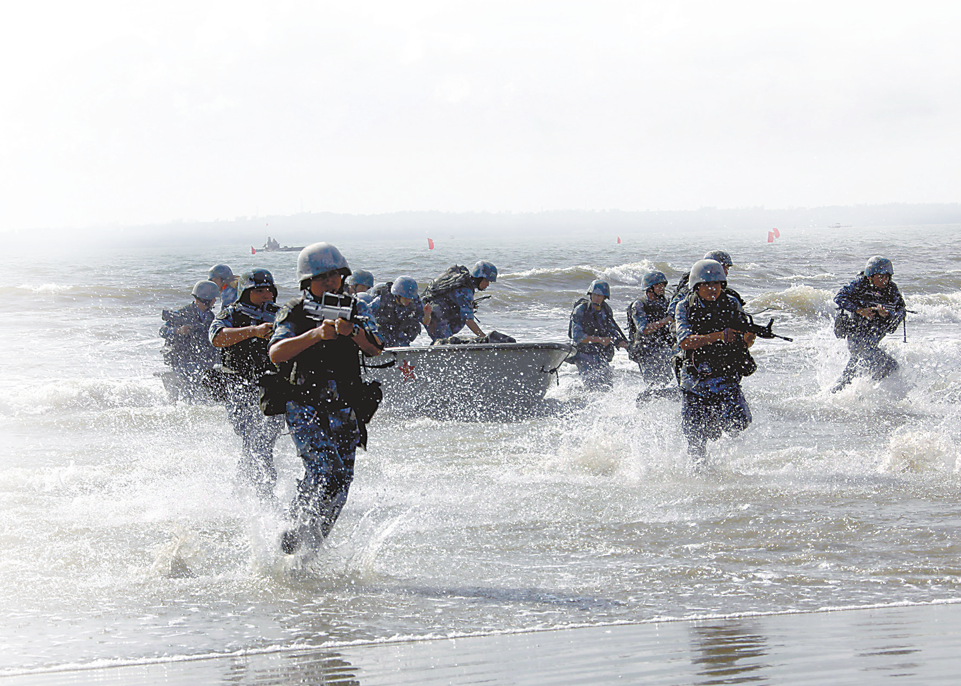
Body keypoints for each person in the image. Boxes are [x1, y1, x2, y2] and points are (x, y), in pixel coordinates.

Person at [268, 242, 384, 554]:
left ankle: (312, 547)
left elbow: (375, 348)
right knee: (325, 470)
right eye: (322, 278)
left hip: (345, 407)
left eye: (335, 276)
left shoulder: (356, 308)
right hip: (305, 404)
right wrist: (315, 334)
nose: (331, 282)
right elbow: (276, 352)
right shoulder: (295, 310)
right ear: (307, 282)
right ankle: (293, 527)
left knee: (341, 482)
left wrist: (353, 332)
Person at [209, 269, 285, 500]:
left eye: (269, 291)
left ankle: (251, 490)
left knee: (263, 443)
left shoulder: (280, 314)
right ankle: (257, 492)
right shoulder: (231, 313)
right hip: (240, 387)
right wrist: (253, 332)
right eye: (259, 291)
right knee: (252, 440)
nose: (266, 295)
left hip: (272, 388)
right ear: (245, 292)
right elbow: (217, 338)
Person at [675, 259, 756, 464]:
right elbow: (684, 342)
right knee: (695, 437)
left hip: (724, 374)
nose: (713, 289)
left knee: (740, 421)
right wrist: (718, 336)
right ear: (697, 286)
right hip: (695, 380)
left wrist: (747, 339)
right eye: (707, 284)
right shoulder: (685, 306)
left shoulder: (731, 303)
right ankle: (699, 473)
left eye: (717, 284)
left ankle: (723, 461)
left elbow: (743, 341)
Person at [831, 256, 906, 393]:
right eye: (880, 277)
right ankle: (843, 394)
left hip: (874, 336)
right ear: (871, 276)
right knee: (889, 366)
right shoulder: (860, 284)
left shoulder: (891, 289)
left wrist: (887, 314)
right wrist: (860, 310)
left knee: (861, 369)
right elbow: (839, 297)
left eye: (887, 277)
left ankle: (858, 393)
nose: (884, 280)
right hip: (857, 335)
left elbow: (901, 310)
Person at [159, 280, 220, 401]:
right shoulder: (182, 313)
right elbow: (162, 331)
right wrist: (178, 330)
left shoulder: (209, 316)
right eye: (213, 298)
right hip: (183, 358)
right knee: (189, 394)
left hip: (201, 358)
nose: (215, 300)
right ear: (205, 298)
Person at [569, 279, 629, 389]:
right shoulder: (581, 310)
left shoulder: (606, 310)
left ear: (604, 297)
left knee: (607, 385)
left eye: (600, 296)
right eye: (595, 295)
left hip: (601, 354)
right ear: (590, 295)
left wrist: (620, 342)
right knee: (592, 384)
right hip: (584, 353)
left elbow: (612, 329)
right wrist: (600, 340)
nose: (597, 298)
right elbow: (577, 337)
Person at [423, 260, 497, 341]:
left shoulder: (464, 282)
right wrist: (485, 338)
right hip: (432, 314)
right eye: (486, 280)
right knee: (444, 343)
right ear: (479, 278)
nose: (488, 284)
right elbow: (468, 320)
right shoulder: (465, 290)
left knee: (450, 334)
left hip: (432, 311)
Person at [627, 270, 675, 388]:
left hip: (662, 348)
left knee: (667, 382)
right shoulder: (639, 304)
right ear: (650, 288)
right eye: (659, 285)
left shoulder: (665, 302)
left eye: (663, 285)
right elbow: (644, 329)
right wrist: (666, 320)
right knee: (653, 384)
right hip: (646, 350)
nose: (662, 288)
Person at [369, 276, 425, 347]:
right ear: (397, 295)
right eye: (406, 298)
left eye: (410, 298)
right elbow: (365, 314)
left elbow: (424, 321)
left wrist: (427, 314)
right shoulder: (381, 300)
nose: (408, 300)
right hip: (383, 333)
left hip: (401, 334)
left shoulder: (415, 301)